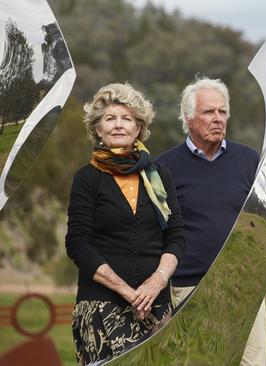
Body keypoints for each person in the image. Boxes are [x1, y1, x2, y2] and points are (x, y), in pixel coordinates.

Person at [65, 83, 185, 365]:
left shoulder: (160, 175)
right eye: (110, 119)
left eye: (126, 118)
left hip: (157, 307)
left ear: (138, 128)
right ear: (97, 129)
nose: (118, 125)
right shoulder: (87, 178)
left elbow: (177, 236)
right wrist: (129, 293)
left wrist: (156, 283)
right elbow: (78, 244)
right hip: (101, 307)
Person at [156, 77, 266, 365]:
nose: (217, 119)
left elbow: (264, 221)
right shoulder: (164, 167)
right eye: (208, 112)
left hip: (244, 287)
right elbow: (156, 231)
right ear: (188, 118)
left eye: (222, 112)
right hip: (189, 289)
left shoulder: (249, 160)